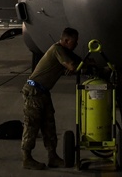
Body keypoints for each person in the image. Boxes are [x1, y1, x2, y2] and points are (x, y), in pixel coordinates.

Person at [20, 27, 83, 170]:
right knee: (32, 125)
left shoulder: (65, 51)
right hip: (34, 91)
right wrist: (76, 66)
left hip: (43, 92)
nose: (76, 44)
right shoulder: (57, 49)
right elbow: (73, 66)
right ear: (66, 41)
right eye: (74, 41)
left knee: (49, 126)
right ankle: (27, 158)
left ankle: (52, 157)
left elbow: (78, 63)